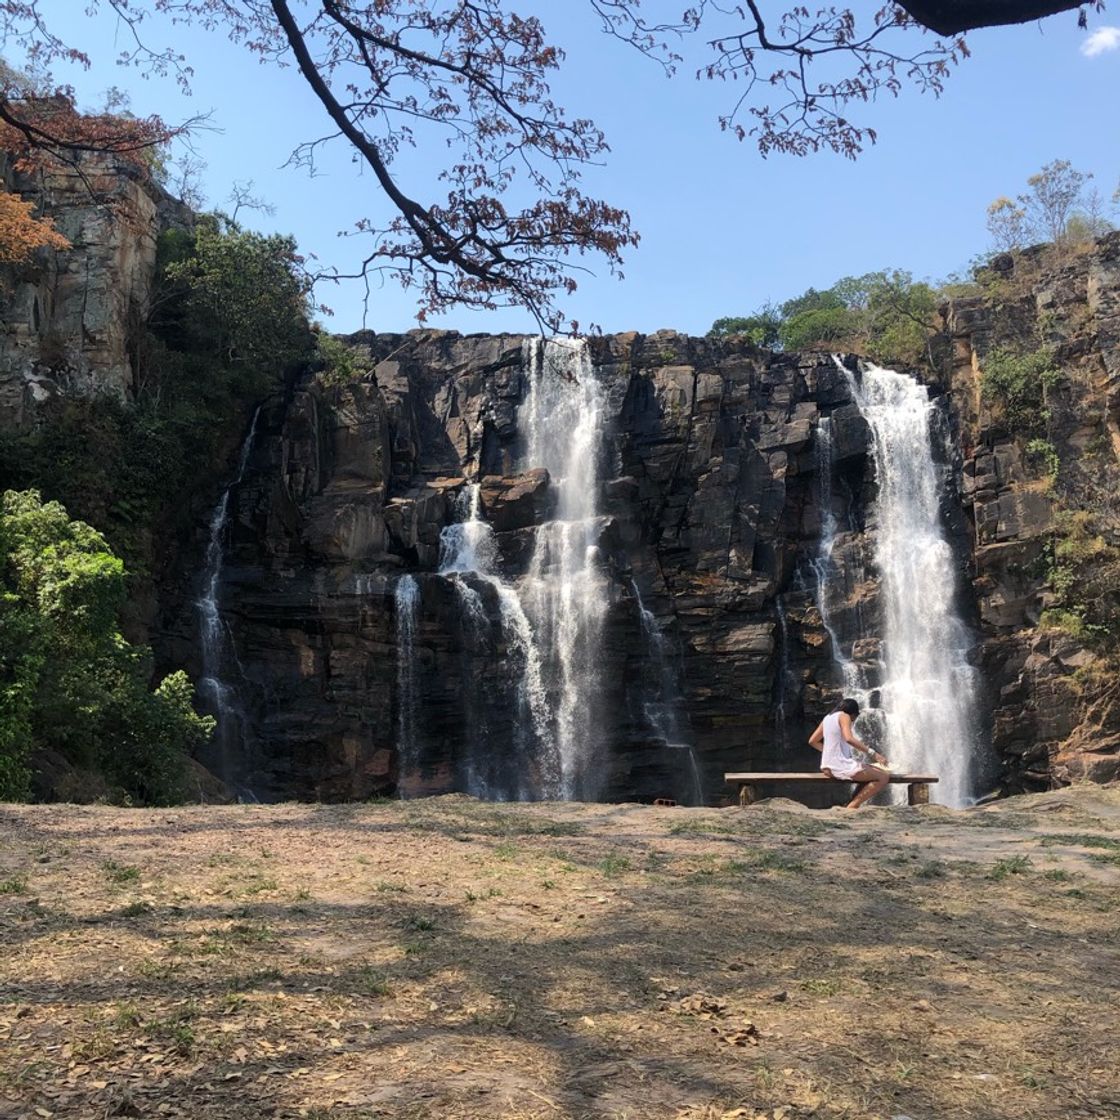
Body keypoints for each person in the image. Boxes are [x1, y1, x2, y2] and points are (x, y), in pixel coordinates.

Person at [808, 698, 890, 810]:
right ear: (853, 714)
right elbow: (849, 738)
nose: (853, 722)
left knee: (875, 770)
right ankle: (853, 806)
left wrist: (829, 752)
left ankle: (851, 803)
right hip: (839, 765)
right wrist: (874, 754)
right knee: (883, 777)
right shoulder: (844, 716)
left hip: (826, 767)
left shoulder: (827, 718)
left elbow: (812, 741)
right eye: (854, 719)